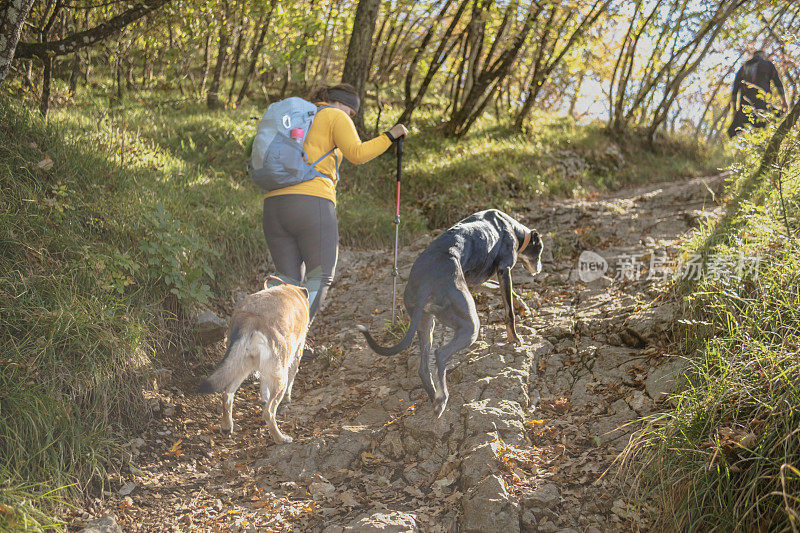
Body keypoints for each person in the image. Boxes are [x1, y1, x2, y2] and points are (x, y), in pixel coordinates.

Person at [261, 83, 408, 353]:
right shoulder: (334, 116)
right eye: (351, 113)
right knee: (320, 277)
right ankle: (293, 341)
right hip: (312, 203)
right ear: (341, 104)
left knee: (288, 279)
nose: (350, 117)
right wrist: (391, 135)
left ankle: (268, 340)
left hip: (273, 204)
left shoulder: (296, 118)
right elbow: (358, 154)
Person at [728, 49, 788, 137]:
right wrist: (784, 102)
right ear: (762, 55)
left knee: (737, 133)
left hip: (745, 108)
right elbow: (778, 83)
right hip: (762, 106)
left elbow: (734, 91)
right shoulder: (768, 64)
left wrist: (734, 110)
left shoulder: (743, 67)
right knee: (764, 131)